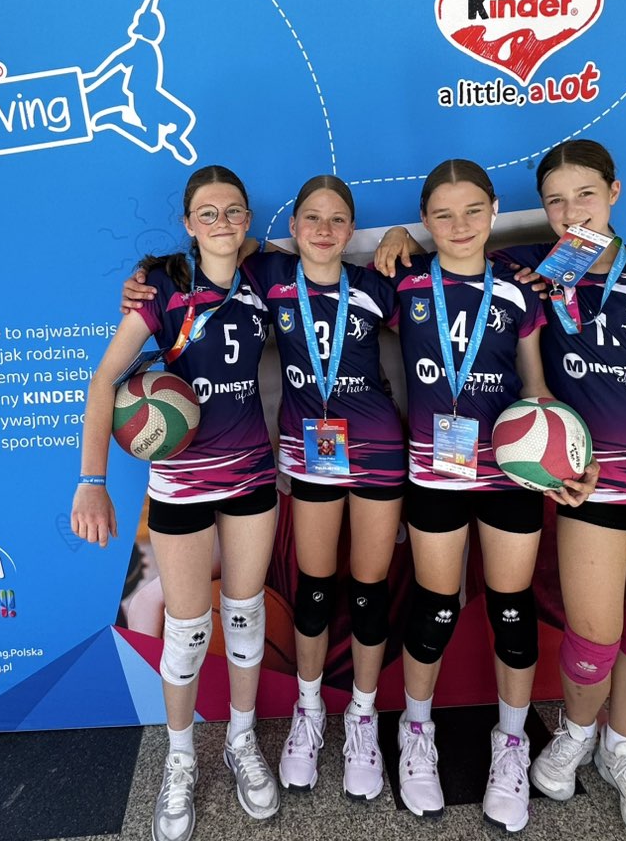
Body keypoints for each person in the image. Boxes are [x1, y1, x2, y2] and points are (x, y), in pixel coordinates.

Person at [377, 141, 626, 841]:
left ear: (614, 192)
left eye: (585, 195)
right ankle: (570, 735)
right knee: (594, 632)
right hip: (582, 483)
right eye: (556, 201)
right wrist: (401, 239)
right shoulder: (529, 272)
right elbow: (455, 253)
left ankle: (620, 751)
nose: (571, 212)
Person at [124, 175, 407, 802]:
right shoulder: (270, 276)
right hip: (309, 455)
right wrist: (153, 275)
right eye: (312, 218)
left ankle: (362, 717)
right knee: (312, 591)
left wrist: (401, 238)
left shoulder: (374, 286)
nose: (325, 230)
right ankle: (308, 711)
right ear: (292, 227)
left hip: (379, 450)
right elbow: (222, 245)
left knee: (369, 592)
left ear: (352, 228)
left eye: (338, 219)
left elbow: (442, 302)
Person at [383, 160, 596, 833]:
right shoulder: (404, 281)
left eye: (473, 210)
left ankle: (511, 745)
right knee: (435, 608)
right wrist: (391, 236)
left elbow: (536, 387)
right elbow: (311, 272)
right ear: (424, 219)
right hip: (435, 475)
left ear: (495, 209)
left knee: (511, 609)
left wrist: (566, 453)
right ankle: (416, 732)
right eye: (442, 214)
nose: (459, 225)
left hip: (508, 475)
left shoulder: (517, 288)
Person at [72, 165, 279, 841]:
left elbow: (329, 251)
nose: (222, 221)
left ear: (247, 219)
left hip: (251, 478)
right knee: (188, 629)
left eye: (233, 210)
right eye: (207, 212)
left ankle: (241, 740)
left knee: (244, 616)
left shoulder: (265, 279)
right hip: (182, 484)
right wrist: (92, 481)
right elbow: (105, 380)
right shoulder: (160, 287)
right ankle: (181, 757)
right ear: (189, 223)